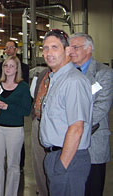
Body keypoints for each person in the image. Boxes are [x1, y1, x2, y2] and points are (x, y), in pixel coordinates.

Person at [40, 29, 93, 196]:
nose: (49, 53)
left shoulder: (73, 81)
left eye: (54, 47)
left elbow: (77, 128)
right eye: (45, 48)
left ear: (68, 51)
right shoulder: (56, 79)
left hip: (69, 158)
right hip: (55, 156)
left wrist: (62, 165)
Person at [69, 33, 113, 196]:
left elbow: (101, 106)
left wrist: (74, 124)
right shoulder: (66, 73)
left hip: (93, 143)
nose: (71, 51)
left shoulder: (104, 73)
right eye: (69, 47)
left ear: (89, 49)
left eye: (75, 47)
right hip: (67, 143)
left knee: (92, 188)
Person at [0, 56, 32, 196]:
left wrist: (7, 106)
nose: (8, 68)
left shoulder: (23, 87)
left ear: (17, 69)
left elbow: (26, 110)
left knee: (13, 166)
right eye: (6, 66)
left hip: (15, 130)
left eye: (11, 66)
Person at [30, 67, 51, 196]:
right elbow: (35, 95)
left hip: (55, 127)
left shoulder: (71, 76)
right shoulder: (43, 73)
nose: (49, 53)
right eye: (46, 49)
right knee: (39, 163)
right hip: (38, 122)